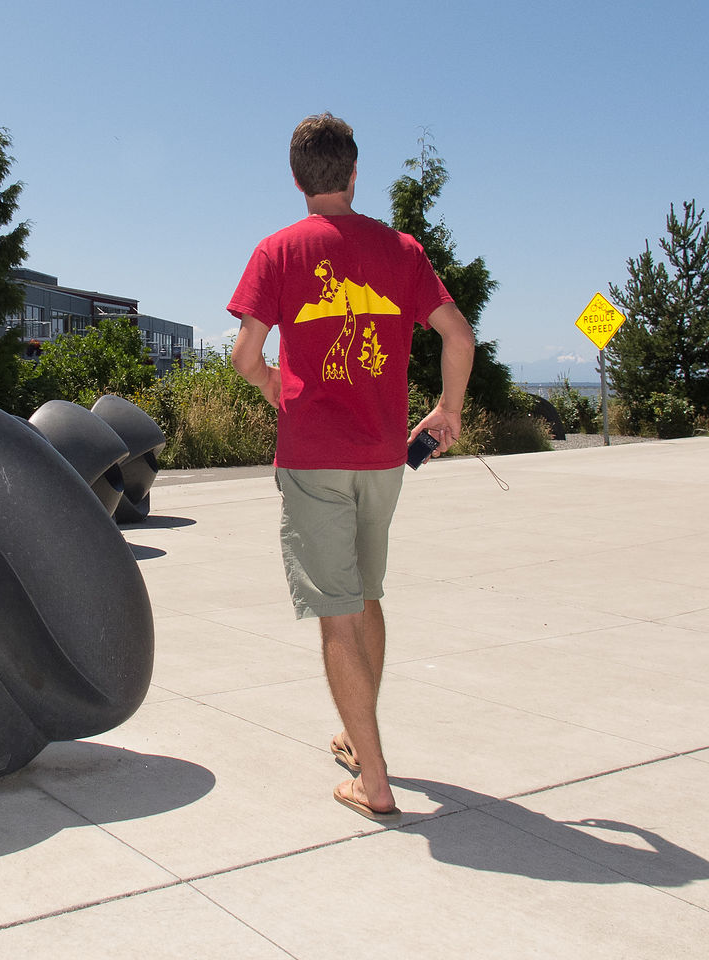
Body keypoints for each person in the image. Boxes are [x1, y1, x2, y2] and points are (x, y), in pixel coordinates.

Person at [226, 113, 475, 822]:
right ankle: (355, 733)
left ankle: (375, 782)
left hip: (314, 458)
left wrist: (276, 388)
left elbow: (246, 356)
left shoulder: (278, 251)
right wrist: (447, 411)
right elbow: (458, 338)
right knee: (366, 598)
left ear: (299, 179)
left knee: (335, 615)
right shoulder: (402, 250)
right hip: (382, 457)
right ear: (356, 172)